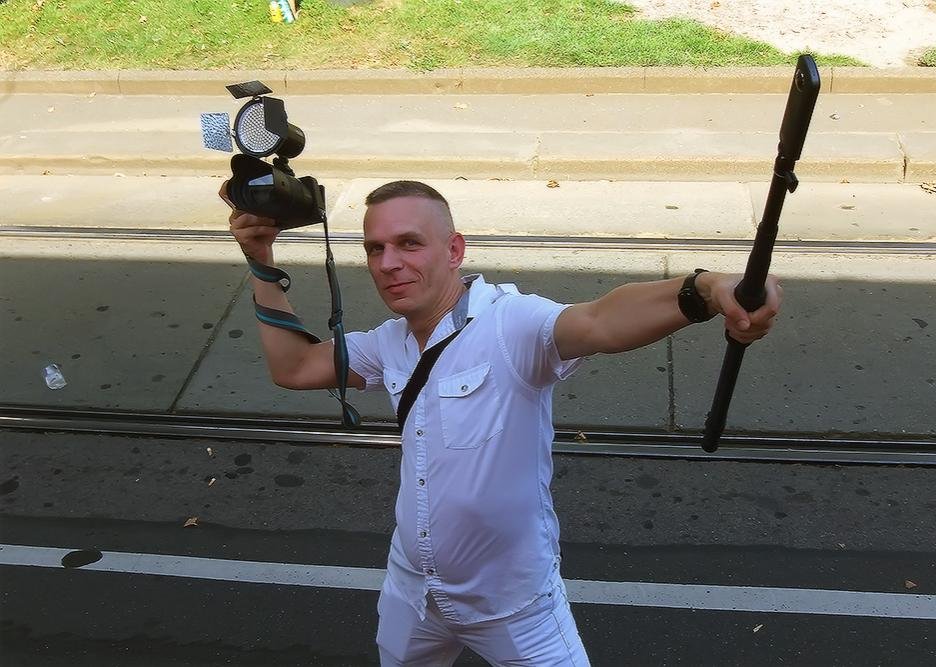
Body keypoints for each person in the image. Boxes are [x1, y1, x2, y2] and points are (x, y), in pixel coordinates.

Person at [222, 180, 782, 666]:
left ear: (454, 250)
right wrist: (261, 260)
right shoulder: (388, 344)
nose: (388, 263)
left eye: (409, 243)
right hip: (414, 594)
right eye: (375, 248)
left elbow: (601, 320)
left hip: (513, 607)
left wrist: (707, 289)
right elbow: (295, 366)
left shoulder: (511, 324)